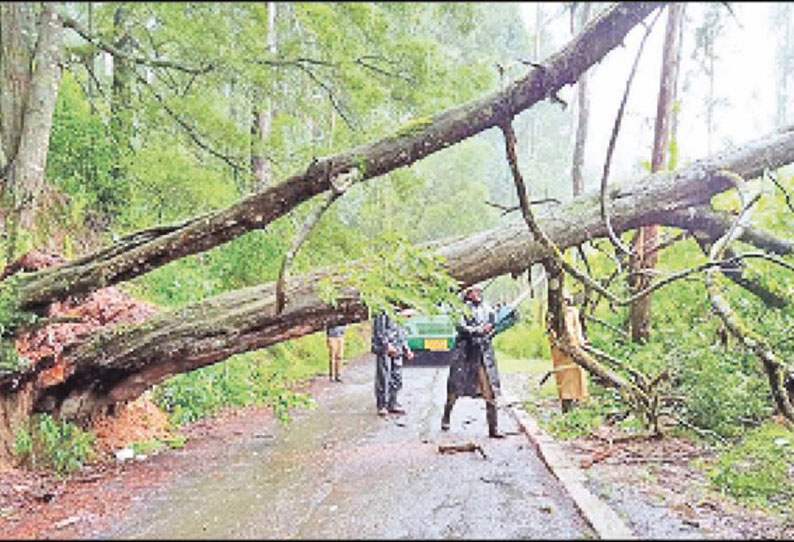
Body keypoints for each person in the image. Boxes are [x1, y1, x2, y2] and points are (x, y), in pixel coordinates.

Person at [441, 283, 504, 438]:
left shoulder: (486, 308)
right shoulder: (460, 308)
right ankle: (446, 416)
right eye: (475, 291)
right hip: (465, 353)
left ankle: (493, 429)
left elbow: (493, 325)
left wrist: (491, 327)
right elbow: (460, 327)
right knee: (454, 388)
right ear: (468, 292)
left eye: (479, 291)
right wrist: (477, 330)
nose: (478, 293)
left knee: (489, 389)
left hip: (483, 352)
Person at [549, 291, 590, 413]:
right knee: (564, 380)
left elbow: (576, 330)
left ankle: (576, 404)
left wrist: (578, 343)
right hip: (560, 352)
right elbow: (551, 333)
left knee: (577, 378)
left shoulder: (572, 312)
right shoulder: (553, 315)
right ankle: (566, 406)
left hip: (574, 350)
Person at [371, 308, 414, 416]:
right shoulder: (382, 311)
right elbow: (379, 331)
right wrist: (387, 345)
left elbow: (402, 333)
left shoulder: (399, 317)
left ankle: (393, 403)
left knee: (396, 377)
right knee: (383, 377)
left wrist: (406, 349)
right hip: (385, 349)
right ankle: (382, 405)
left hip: (397, 348)